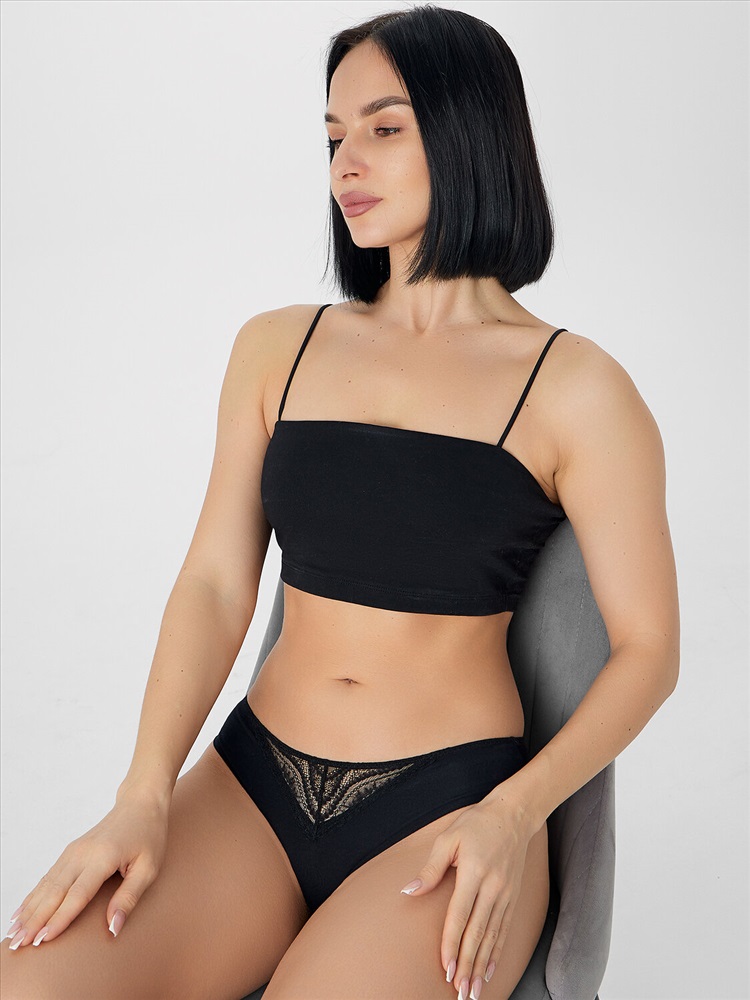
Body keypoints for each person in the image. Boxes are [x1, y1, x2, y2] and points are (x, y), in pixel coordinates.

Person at [1, 6, 680, 1000]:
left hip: (451, 803)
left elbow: (649, 651)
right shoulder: (277, 347)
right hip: (252, 786)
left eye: (383, 128)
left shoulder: (578, 388)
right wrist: (142, 793)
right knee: (31, 983)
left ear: (470, 135)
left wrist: (513, 812)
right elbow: (215, 581)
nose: (345, 164)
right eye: (332, 137)